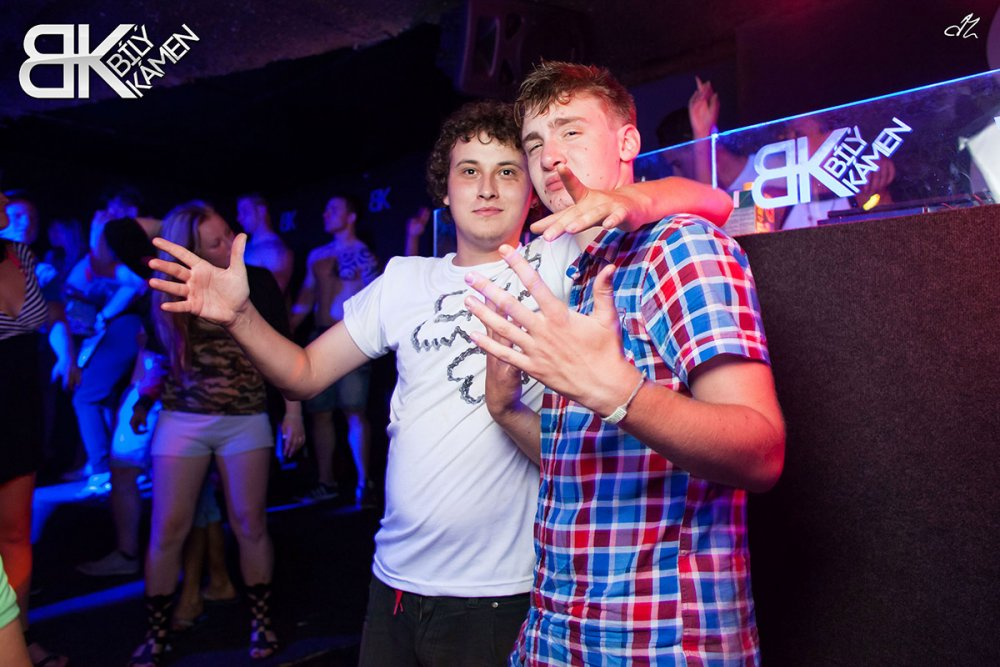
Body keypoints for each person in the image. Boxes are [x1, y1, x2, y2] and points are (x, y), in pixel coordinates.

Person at [147, 101, 731, 666]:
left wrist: (627, 201)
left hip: (502, 591)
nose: (487, 188)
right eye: (469, 171)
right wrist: (240, 317)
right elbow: (302, 375)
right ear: (444, 191)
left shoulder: (556, 261)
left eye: (507, 171)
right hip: (394, 583)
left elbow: (715, 202)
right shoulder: (405, 280)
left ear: (531, 191)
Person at [464, 61, 786, 665]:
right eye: (534, 143)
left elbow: (761, 452)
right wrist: (505, 409)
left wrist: (620, 393)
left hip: (656, 639)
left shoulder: (680, 246)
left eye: (571, 131)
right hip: (556, 630)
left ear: (627, 142)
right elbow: (584, 473)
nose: (550, 157)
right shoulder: (574, 276)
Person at [129, 201, 305, 666]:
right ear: (190, 250)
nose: (229, 244)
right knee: (168, 528)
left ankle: (261, 622)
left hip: (244, 417)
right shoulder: (168, 285)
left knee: (249, 523)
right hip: (183, 418)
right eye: (214, 242)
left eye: (228, 233)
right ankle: (156, 633)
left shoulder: (257, 280)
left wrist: (293, 412)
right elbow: (159, 355)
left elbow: (285, 346)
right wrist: (143, 400)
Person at [0, 190, 69, 667]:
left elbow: (43, 317)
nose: (6, 202)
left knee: (15, 533)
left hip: (21, 401)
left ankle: (19, 638)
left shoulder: (20, 253)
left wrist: (66, 348)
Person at [289, 195, 379, 504]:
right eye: (326, 208)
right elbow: (305, 297)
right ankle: (326, 481)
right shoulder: (318, 254)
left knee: (354, 410)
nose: (326, 213)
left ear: (351, 216)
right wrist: (286, 328)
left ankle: (364, 482)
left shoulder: (362, 253)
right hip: (319, 336)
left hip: (351, 337)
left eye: (335, 209)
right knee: (320, 413)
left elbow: (373, 298)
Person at [236, 193, 294, 293]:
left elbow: (273, 293)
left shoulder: (274, 250)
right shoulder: (244, 246)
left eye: (245, 211)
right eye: (239, 213)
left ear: (261, 210)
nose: (239, 218)